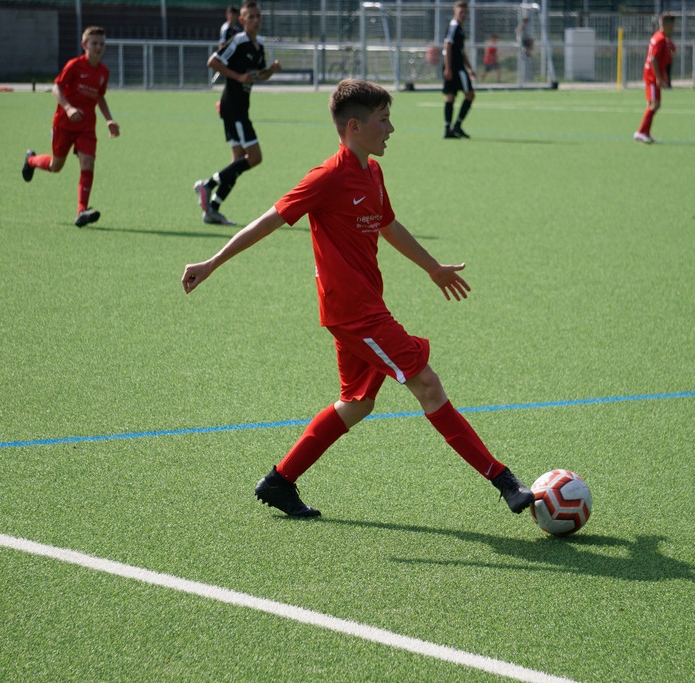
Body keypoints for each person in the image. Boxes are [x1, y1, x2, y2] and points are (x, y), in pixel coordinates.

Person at [181, 79, 535, 520]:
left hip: (365, 306)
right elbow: (267, 221)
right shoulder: (327, 177)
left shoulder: (373, 172)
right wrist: (212, 262)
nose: (391, 129)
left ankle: (279, 481)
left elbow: (389, 225)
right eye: (383, 120)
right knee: (427, 384)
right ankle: (504, 480)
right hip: (353, 313)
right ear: (354, 126)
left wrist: (433, 267)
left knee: (357, 402)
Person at [193, 1, 282, 226]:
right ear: (242, 20)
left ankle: (212, 210)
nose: (255, 20)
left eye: (258, 16)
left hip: (240, 106)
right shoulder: (239, 41)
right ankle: (207, 184)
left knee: (238, 162)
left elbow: (259, 75)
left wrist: (271, 70)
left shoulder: (258, 45)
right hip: (233, 106)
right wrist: (238, 76)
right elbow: (213, 61)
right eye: (250, 17)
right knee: (255, 157)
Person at [21, 26, 120, 228]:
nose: (98, 47)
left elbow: (100, 96)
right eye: (94, 43)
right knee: (55, 166)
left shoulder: (103, 72)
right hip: (64, 124)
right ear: (84, 45)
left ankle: (81, 211)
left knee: (88, 163)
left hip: (86, 127)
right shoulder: (74, 65)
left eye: (102, 44)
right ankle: (31, 160)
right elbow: (56, 88)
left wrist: (109, 120)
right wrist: (68, 108)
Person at [634, 12, 675, 144]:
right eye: (673, 25)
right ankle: (640, 132)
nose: (674, 28)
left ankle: (645, 133)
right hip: (651, 77)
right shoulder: (660, 39)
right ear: (667, 25)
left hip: (652, 75)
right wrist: (659, 78)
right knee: (655, 104)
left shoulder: (659, 37)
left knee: (652, 104)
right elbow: (653, 59)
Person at [442, 1, 475, 139]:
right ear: (454, 12)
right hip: (455, 68)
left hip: (457, 67)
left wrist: (470, 67)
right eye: (461, 12)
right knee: (469, 95)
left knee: (452, 96)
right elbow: (447, 47)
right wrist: (448, 68)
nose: (464, 15)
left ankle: (450, 129)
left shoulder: (459, 28)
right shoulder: (454, 26)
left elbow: (461, 51)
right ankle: (455, 126)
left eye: (465, 12)